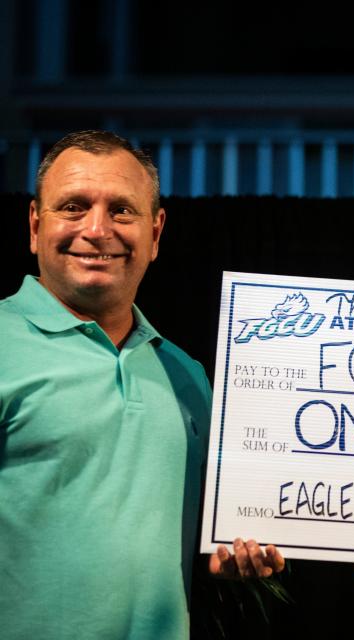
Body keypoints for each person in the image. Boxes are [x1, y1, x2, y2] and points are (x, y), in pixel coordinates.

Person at [0, 130, 282, 639]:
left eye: (122, 211)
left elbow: (204, 545)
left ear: (155, 233)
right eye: (73, 206)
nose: (97, 229)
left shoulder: (188, 376)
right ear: (35, 226)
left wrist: (229, 559)